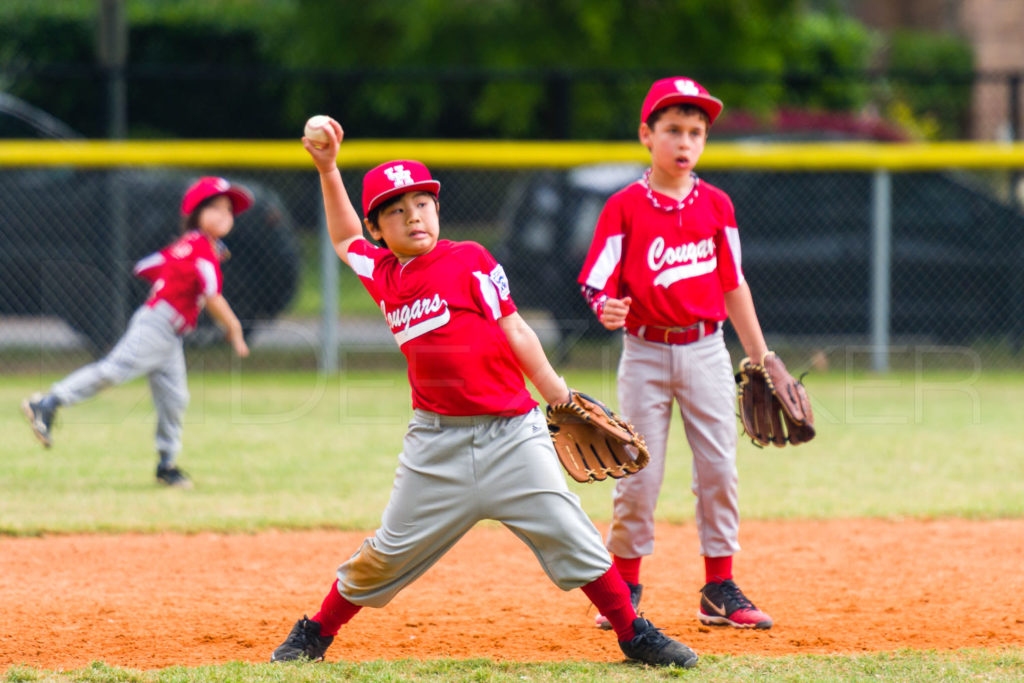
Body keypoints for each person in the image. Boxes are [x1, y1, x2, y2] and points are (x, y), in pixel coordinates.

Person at [268, 117, 698, 669]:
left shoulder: (469, 258)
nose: (412, 216)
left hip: (511, 435)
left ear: (437, 210)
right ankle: (315, 632)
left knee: (573, 535)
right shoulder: (383, 273)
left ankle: (633, 632)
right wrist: (329, 169)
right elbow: (342, 237)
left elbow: (516, 329)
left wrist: (560, 398)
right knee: (386, 553)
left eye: (421, 203)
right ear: (380, 229)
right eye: (395, 211)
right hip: (435, 445)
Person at [578, 77, 775, 631]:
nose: (684, 142)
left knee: (719, 471)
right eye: (672, 130)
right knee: (637, 472)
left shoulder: (717, 205)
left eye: (696, 131)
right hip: (644, 353)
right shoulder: (623, 207)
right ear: (647, 135)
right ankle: (626, 586)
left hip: (707, 350)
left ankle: (718, 588)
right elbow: (597, 283)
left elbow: (734, 283)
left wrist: (761, 355)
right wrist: (606, 309)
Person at [21, 176, 252, 489]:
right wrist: (235, 329)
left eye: (229, 210)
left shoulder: (190, 246)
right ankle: (49, 401)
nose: (224, 214)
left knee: (175, 398)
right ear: (194, 213)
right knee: (114, 372)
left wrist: (181, 265)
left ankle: (167, 465)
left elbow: (145, 266)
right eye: (214, 207)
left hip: (166, 331)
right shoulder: (201, 249)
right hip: (158, 325)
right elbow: (212, 294)